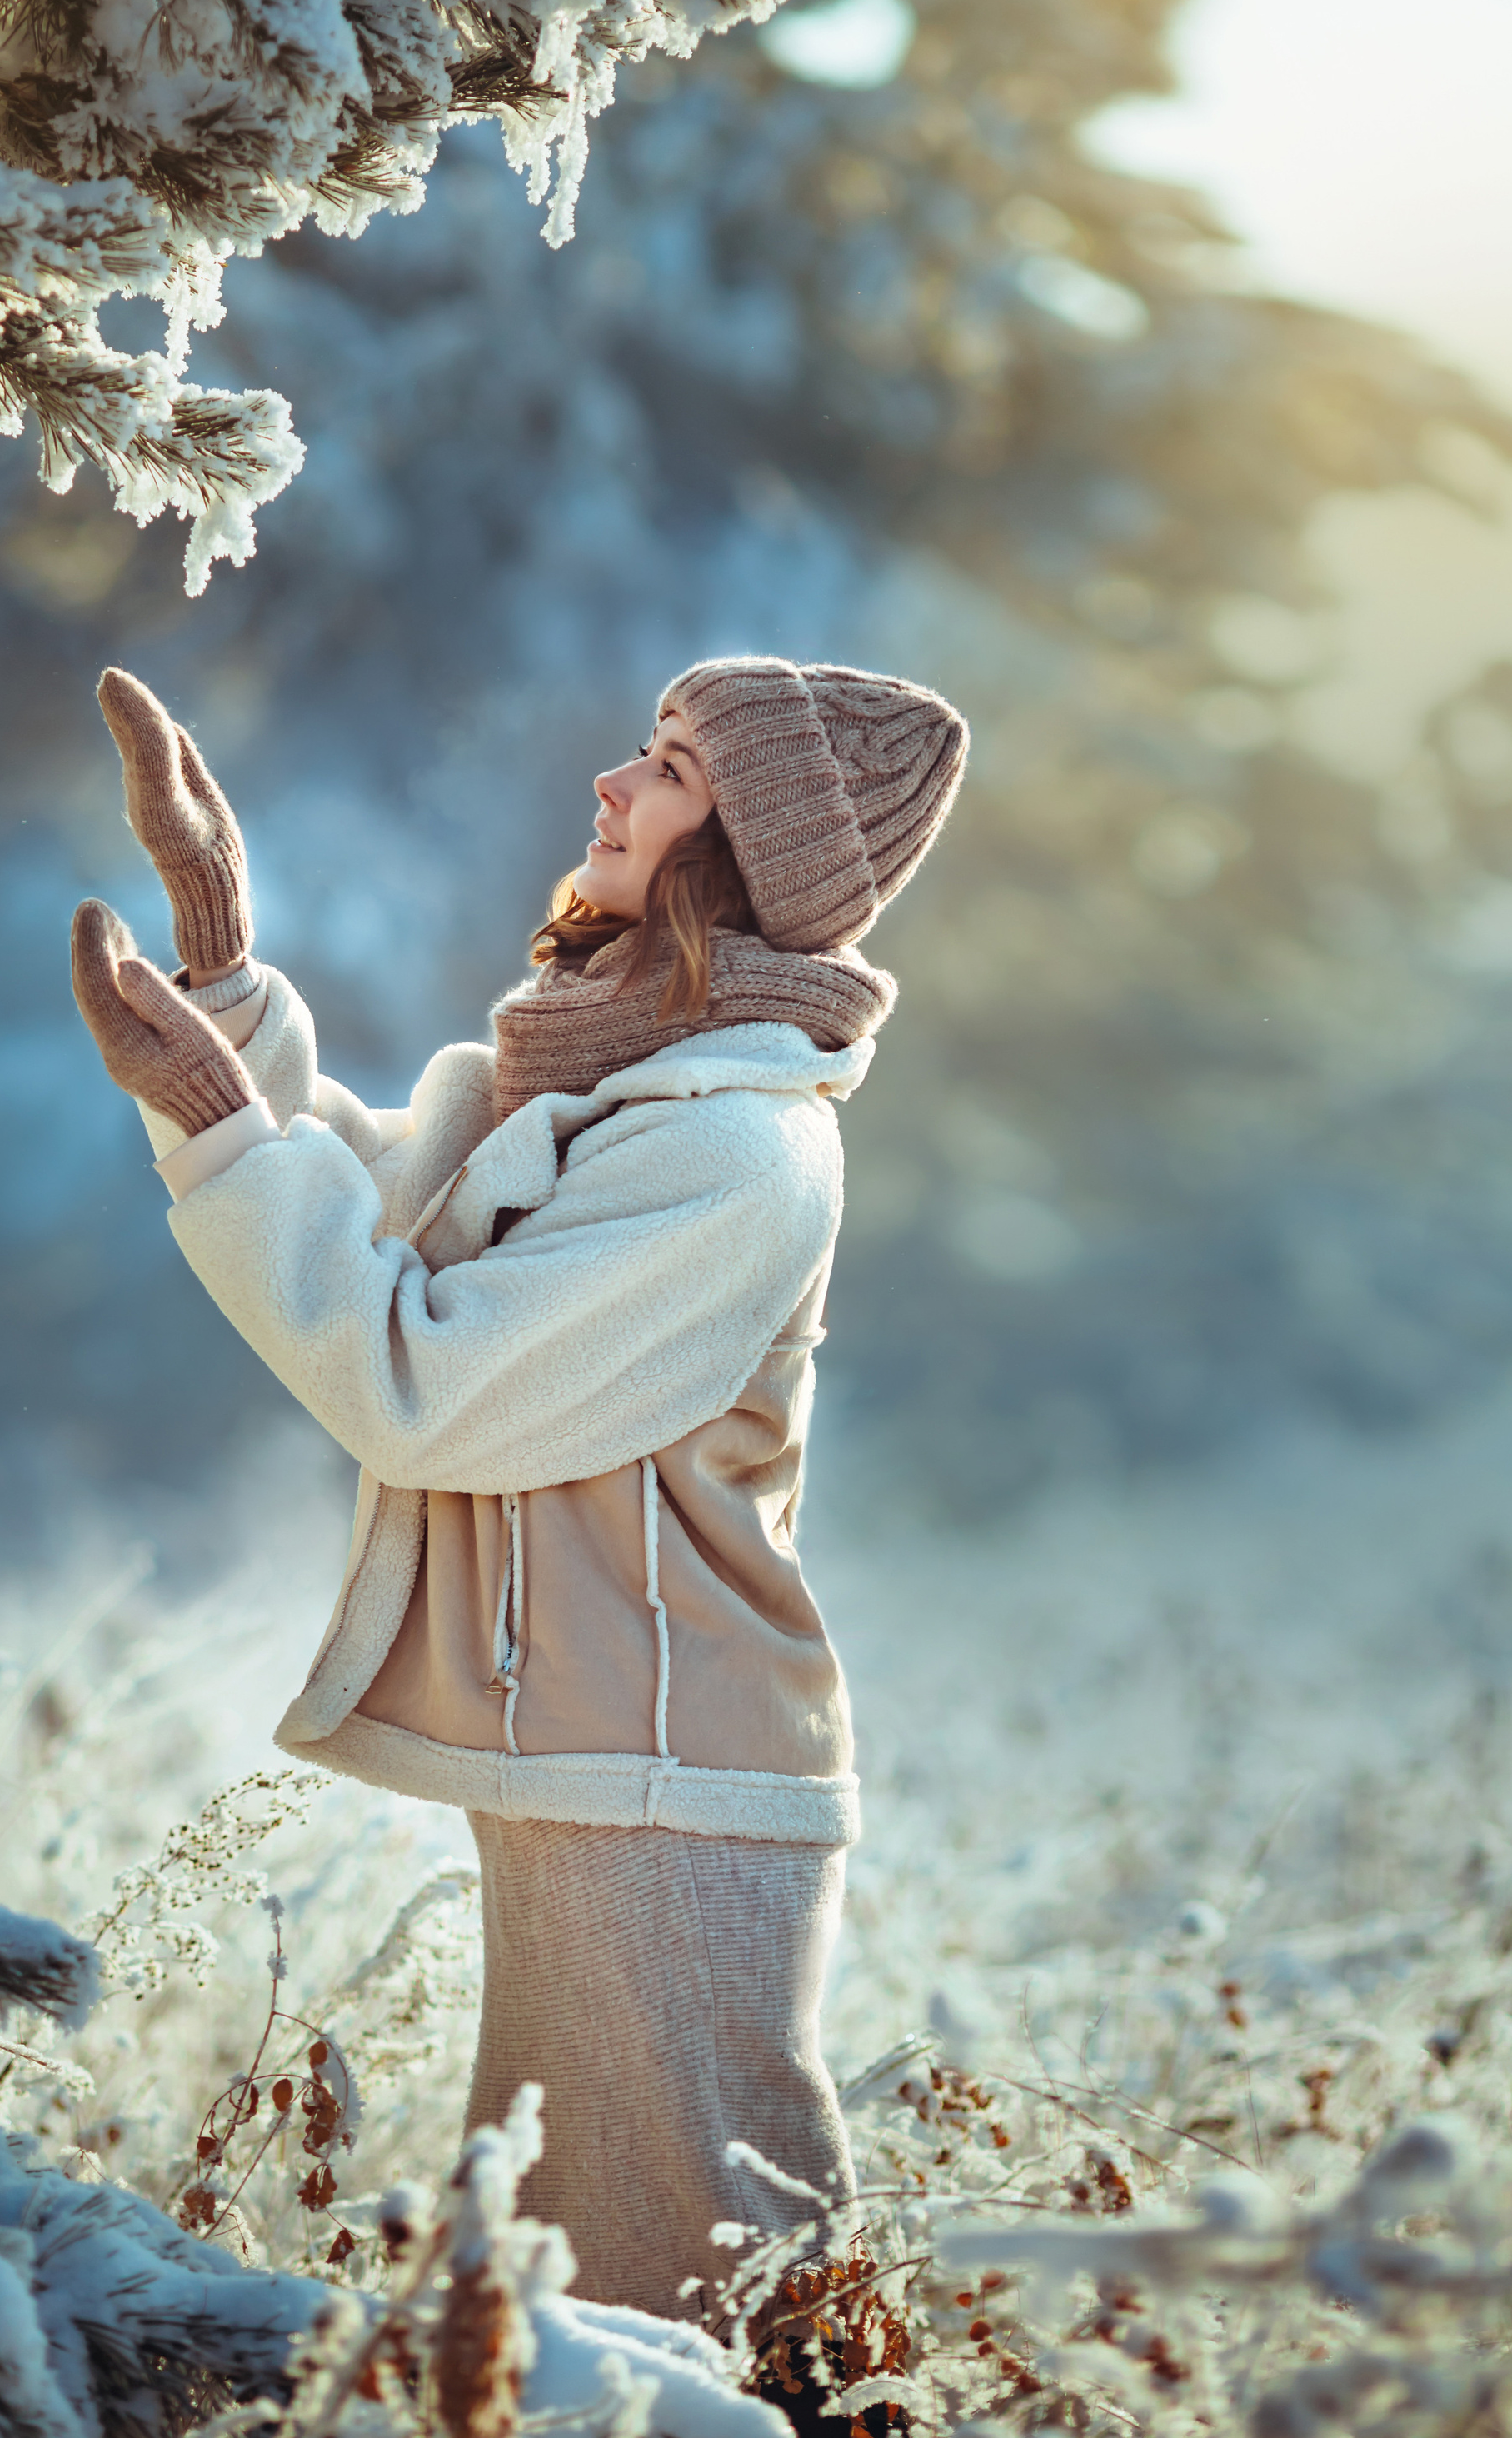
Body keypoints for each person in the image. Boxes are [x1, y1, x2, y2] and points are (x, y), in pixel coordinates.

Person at [70, 657, 967, 2324]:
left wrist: (210, 1123)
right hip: (605, 1762)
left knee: (699, 2310)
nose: (613, 787)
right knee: (569, 2294)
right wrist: (221, 960)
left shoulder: (731, 1150)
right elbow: (390, 1213)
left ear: (749, 852)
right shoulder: (628, 1091)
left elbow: (424, 1381)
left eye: (674, 770)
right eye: (645, 749)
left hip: (673, 1781)